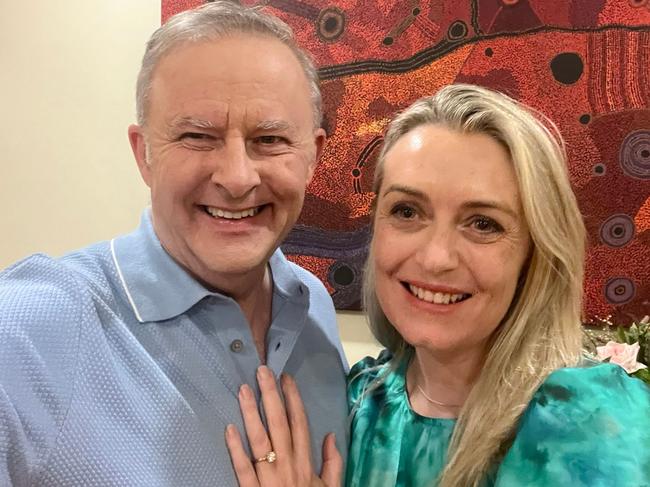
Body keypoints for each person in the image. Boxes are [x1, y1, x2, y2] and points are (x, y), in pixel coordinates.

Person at [225, 84, 650, 487]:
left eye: (483, 223)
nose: (435, 258)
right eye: (407, 211)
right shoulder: (363, 400)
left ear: (534, 254)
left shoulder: (589, 423)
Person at [0, 2, 349, 485]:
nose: (236, 177)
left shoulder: (313, 310)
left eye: (269, 139)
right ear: (144, 155)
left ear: (313, 157)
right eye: (196, 136)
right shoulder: (28, 331)